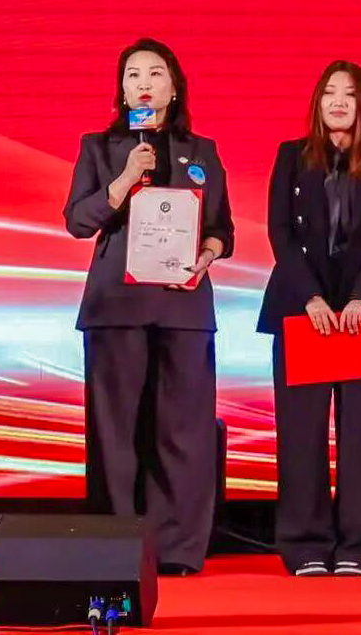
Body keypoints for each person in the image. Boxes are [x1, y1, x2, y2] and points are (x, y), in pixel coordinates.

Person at [64, 38, 233, 575]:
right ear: (121, 89)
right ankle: (115, 548)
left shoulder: (201, 151)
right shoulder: (100, 147)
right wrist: (121, 182)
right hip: (117, 306)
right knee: (115, 435)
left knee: (182, 433)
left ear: (173, 86)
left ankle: (176, 550)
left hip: (183, 306)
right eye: (133, 74)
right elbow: (77, 220)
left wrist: (207, 255)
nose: (144, 83)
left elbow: (221, 228)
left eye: (155, 73)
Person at [257, 60, 361, 576]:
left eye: (349, 94)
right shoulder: (291, 157)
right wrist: (311, 300)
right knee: (302, 431)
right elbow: (280, 233)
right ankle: (305, 545)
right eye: (329, 93)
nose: (339, 102)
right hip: (304, 309)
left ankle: (358, 548)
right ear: (317, 103)